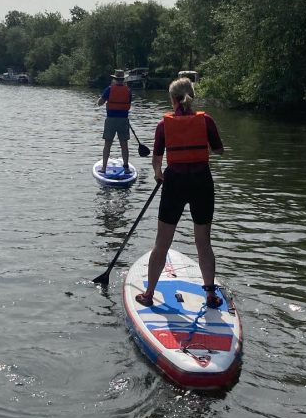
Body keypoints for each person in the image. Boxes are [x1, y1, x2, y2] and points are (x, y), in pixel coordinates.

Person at [135, 77, 225, 309]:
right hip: (201, 182)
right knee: (203, 243)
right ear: (191, 97)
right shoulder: (206, 121)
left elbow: (157, 159)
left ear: (173, 99)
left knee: (162, 242)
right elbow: (219, 151)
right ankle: (211, 296)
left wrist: (158, 173)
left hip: (174, 183)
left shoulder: (163, 125)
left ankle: (149, 293)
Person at [96, 69, 132, 175]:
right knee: (124, 144)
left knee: (107, 144)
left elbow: (100, 103)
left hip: (111, 120)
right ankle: (126, 167)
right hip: (123, 120)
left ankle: (103, 168)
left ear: (115, 79)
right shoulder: (128, 91)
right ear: (123, 79)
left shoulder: (109, 89)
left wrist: (99, 100)